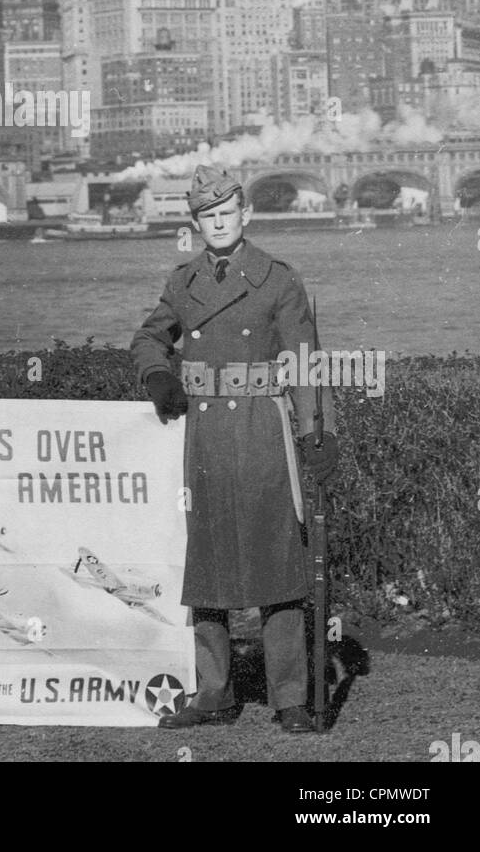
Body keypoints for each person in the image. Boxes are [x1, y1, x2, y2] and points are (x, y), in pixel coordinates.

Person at [130, 164, 338, 734]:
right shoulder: (183, 282)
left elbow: (304, 363)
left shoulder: (277, 279)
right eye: (207, 217)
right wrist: (157, 376)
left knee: (278, 565)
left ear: (245, 215)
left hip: (261, 430)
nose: (218, 224)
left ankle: (290, 698)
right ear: (196, 224)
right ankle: (214, 694)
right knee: (209, 564)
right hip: (206, 436)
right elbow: (150, 335)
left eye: (227, 214)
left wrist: (318, 432)